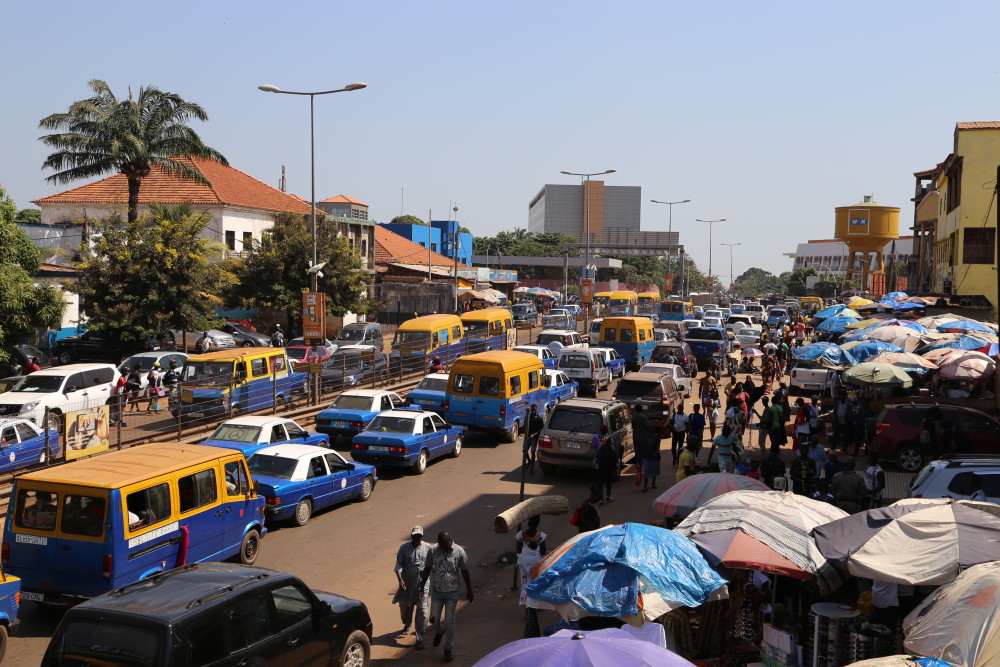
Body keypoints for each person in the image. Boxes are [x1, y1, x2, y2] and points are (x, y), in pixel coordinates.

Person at [418, 532, 473, 663]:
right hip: (437, 592)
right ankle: (439, 630)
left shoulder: (459, 552)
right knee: (433, 619)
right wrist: (421, 586)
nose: (442, 547)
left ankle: (448, 648)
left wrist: (469, 590)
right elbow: (427, 568)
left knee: (450, 621)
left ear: (449, 541)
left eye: (444, 544)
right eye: (440, 544)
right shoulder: (433, 550)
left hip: (452, 593)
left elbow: (465, 571)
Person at [394, 526, 431, 648]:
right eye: (415, 536)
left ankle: (420, 638)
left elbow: (431, 566)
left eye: (419, 536)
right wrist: (400, 580)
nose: (417, 538)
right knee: (405, 607)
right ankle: (407, 623)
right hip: (407, 585)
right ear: (411, 536)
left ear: (422, 537)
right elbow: (399, 564)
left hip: (422, 586)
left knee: (422, 612)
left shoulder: (428, 548)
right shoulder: (404, 548)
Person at [515, 517, 547, 638]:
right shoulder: (541, 536)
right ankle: (536, 606)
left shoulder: (521, 534)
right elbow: (543, 551)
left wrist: (521, 555)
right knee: (535, 585)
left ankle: (527, 609)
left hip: (524, 563)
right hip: (535, 564)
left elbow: (518, 548)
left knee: (525, 585)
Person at [594, 425, 617, 504]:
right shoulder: (609, 439)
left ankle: (600, 498)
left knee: (600, 481)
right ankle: (608, 495)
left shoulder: (596, 438)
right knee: (608, 480)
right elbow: (614, 452)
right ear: (607, 430)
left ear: (600, 430)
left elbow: (594, 448)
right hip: (608, 463)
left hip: (600, 462)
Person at [640, 419, 662, 492]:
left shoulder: (656, 436)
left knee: (654, 470)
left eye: (652, 428)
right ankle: (645, 486)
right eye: (650, 428)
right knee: (646, 471)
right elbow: (642, 445)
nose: (651, 429)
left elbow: (658, 446)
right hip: (646, 456)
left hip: (654, 456)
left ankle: (653, 483)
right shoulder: (644, 436)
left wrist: (655, 453)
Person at [523, 404, 544, 472]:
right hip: (528, 437)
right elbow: (525, 425)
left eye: (535, 410)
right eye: (533, 410)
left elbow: (541, 429)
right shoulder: (528, 417)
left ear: (537, 409)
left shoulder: (539, 419)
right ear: (531, 410)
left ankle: (532, 468)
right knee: (524, 451)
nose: (534, 411)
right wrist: (522, 433)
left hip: (534, 439)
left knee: (533, 452)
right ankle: (529, 461)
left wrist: (534, 434)